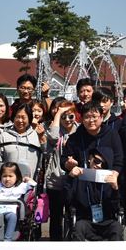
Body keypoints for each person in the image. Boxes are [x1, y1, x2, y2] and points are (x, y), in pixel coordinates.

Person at [65, 148, 123, 241]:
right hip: (86, 220)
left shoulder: (109, 181)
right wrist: (70, 178)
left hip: (105, 222)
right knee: (79, 227)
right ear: (90, 158)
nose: (99, 165)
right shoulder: (80, 177)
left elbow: (115, 208)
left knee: (116, 227)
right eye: (97, 161)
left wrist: (115, 189)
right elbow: (67, 199)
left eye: (103, 164)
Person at [45, 101, 79, 241]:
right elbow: (53, 137)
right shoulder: (55, 129)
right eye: (63, 117)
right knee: (56, 216)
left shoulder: (79, 130)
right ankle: (55, 242)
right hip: (56, 179)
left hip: (74, 179)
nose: (67, 120)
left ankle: (73, 240)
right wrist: (58, 113)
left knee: (73, 213)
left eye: (70, 116)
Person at [0, 162, 36, 241]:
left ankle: (7, 239)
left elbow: (34, 185)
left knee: (12, 217)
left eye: (10, 176)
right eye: (4, 176)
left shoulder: (21, 186)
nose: (7, 179)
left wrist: (28, 179)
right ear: (0, 176)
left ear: (17, 177)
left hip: (10, 211)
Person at [0, 103, 44, 175]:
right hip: (9, 180)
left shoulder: (36, 135)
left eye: (23, 117)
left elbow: (45, 155)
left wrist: (42, 138)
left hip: (30, 180)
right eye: (17, 117)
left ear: (29, 118)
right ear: (13, 118)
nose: (20, 120)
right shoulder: (4, 136)